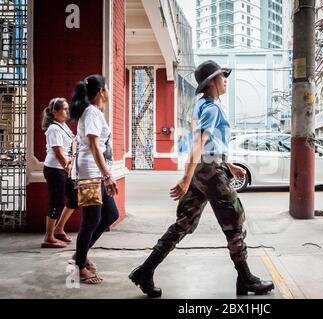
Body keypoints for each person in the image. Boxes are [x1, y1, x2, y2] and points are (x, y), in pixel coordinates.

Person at [129, 60, 274, 298]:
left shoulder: (202, 106)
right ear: (212, 82)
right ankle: (245, 278)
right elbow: (199, 143)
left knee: (183, 223)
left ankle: (146, 270)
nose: (226, 80)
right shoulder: (213, 109)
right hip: (209, 172)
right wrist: (185, 178)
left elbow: (210, 144)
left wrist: (228, 164)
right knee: (234, 221)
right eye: (222, 76)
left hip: (204, 169)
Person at [70, 74, 119, 284]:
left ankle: (80, 255)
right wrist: (107, 176)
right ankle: (80, 267)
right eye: (107, 88)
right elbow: (93, 145)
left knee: (110, 215)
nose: (108, 92)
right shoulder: (91, 113)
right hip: (91, 172)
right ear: (101, 91)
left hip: (96, 172)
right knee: (91, 221)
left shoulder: (94, 112)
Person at [41, 98, 78, 248]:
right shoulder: (54, 129)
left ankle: (59, 228)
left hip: (65, 168)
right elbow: (58, 152)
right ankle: (48, 238)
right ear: (55, 112)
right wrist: (68, 168)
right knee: (56, 202)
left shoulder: (63, 126)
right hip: (56, 169)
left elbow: (73, 142)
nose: (67, 112)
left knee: (75, 198)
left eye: (67, 109)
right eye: (64, 109)